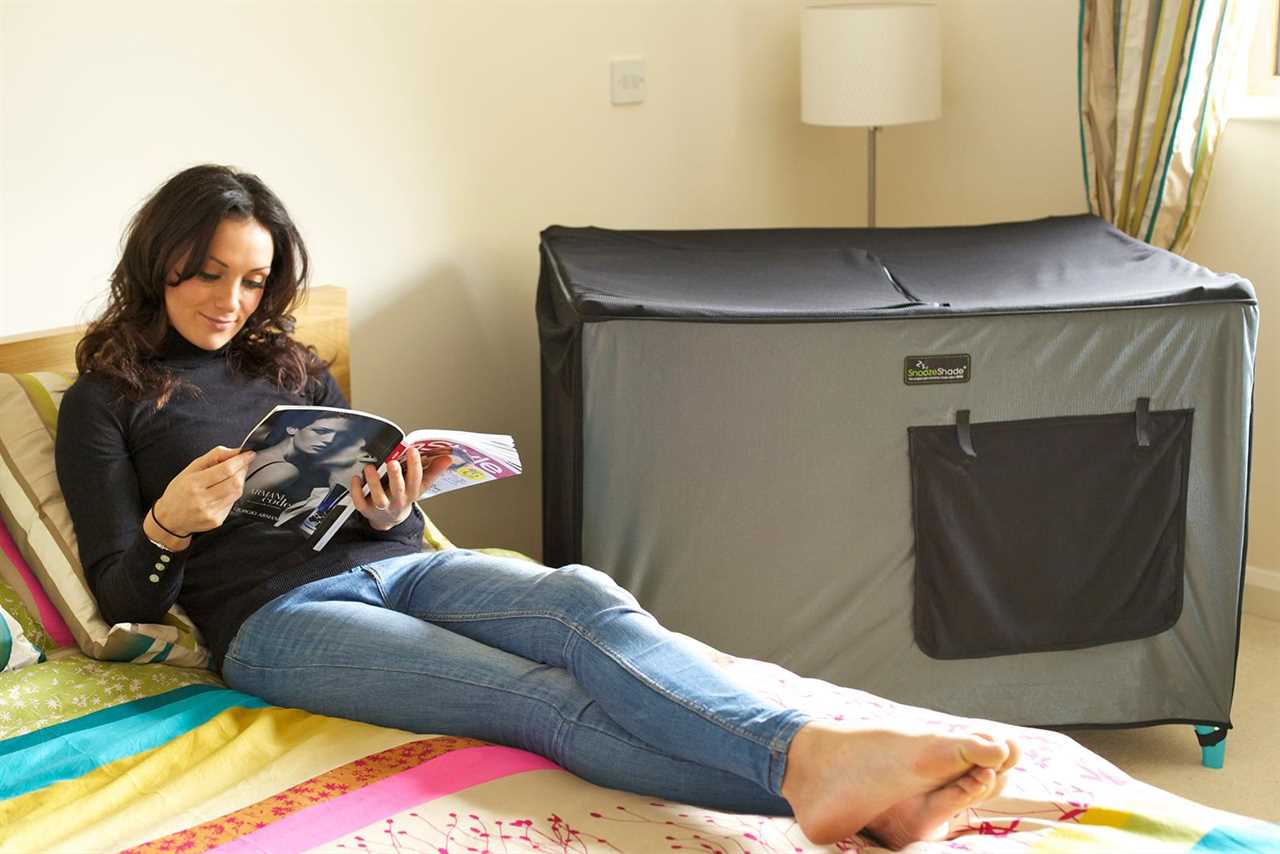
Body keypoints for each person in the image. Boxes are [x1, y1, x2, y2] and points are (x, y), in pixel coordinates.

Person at [55, 164, 1019, 850]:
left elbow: (362, 517)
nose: (231, 299)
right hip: (277, 622)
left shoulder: (293, 364)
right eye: (210, 272)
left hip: (399, 565)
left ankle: (824, 771)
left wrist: (395, 502)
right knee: (534, 700)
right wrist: (170, 521)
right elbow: (123, 601)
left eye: (255, 278)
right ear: (162, 261)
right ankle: (821, 784)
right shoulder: (106, 396)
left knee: (584, 601)